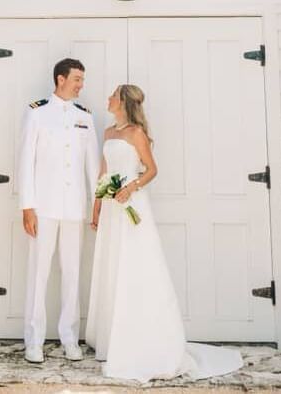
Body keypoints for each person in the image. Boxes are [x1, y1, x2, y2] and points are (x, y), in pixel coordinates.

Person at [85, 85, 243, 382]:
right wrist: (96, 208)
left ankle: (144, 340)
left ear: (122, 102)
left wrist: (131, 187)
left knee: (136, 267)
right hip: (110, 208)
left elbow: (152, 169)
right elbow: (102, 174)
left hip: (132, 206)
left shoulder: (136, 133)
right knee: (112, 267)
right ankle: (112, 337)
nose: (107, 98)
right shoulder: (108, 133)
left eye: (112, 95)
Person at [18, 58, 99, 363]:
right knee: (38, 273)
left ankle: (69, 338)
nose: (81, 84)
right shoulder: (37, 112)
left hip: (74, 208)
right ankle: (34, 340)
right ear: (61, 79)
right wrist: (27, 206)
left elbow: (93, 166)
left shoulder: (85, 118)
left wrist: (96, 206)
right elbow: (25, 160)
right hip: (44, 207)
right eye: (77, 78)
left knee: (72, 273)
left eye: (82, 79)